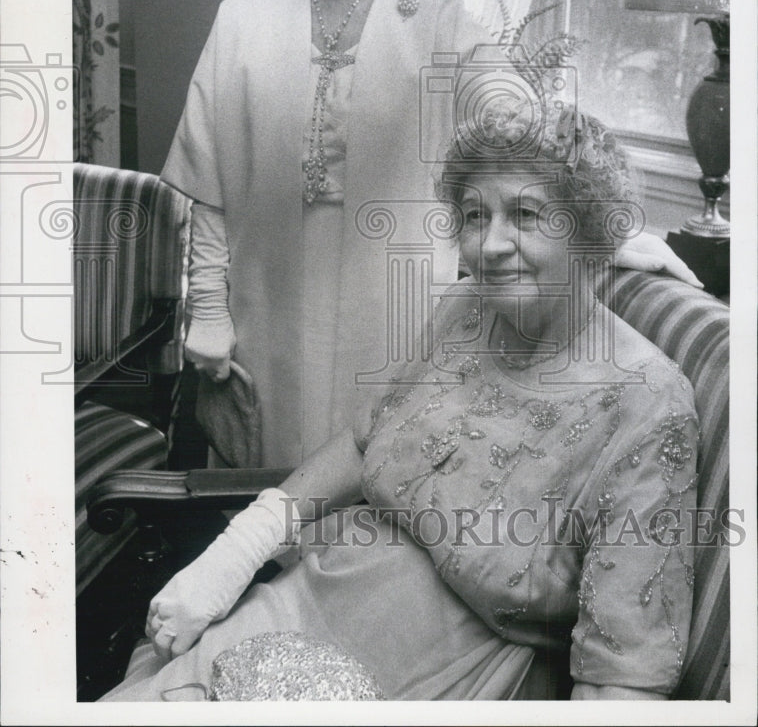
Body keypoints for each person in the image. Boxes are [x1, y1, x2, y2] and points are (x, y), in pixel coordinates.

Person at [163, 0, 701, 470]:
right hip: (268, 319)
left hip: (396, 318)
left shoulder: (438, 17)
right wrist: (209, 312)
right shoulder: (242, 16)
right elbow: (208, 189)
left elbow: (513, 119)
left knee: (377, 498)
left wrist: (607, 221)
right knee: (268, 504)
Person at [103, 99, 698, 702]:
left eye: (526, 213)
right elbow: (369, 440)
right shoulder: (466, 310)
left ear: (592, 233)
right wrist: (241, 548)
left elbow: (622, 675)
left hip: (442, 678)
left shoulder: (647, 406)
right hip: (315, 592)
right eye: (472, 214)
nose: (490, 245)